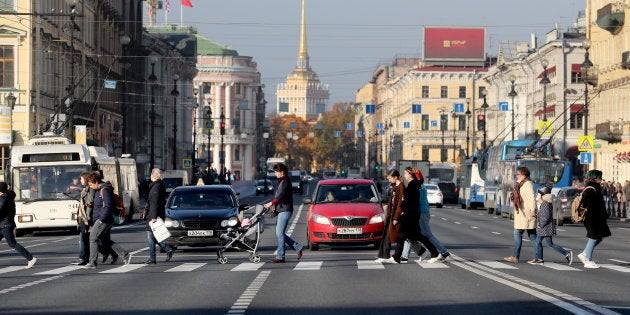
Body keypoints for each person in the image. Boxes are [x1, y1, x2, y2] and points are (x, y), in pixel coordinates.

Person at [82, 172, 130, 269]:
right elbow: (102, 204)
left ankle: (92, 262)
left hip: (103, 219)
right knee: (105, 241)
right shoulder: (99, 190)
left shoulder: (104, 190)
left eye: (91, 184)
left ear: (95, 182)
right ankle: (125, 255)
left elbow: (108, 205)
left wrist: (101, 219)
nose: (90, 186)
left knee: (92, 238)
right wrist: (91, 205)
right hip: (103, 218)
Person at [401, 167, 449, 263]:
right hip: (422, 211)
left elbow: (413, 201)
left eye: (405, 173)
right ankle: (406, 256)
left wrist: (404, 202)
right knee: (412, 234)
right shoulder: (420, 185)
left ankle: (442, 252)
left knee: (423, 234)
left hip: (420, 212)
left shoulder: (416, 186)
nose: (404, 175)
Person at [392, 167, 440, 264]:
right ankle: (433, 253)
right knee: (416, 236)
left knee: (402, 235)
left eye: (405, 173)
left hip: (410, 216)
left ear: (410, 175)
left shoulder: (412, 185)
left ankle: (397, 257)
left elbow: (409, 201)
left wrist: (402, 206)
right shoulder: (413, 184)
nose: (404, 175)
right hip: (412, 215)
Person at [263, 163, 303, 263]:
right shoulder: (282, 181)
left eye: (276, 172)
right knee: (279, 233)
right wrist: (274, 206)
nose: (275, 173)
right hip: (282, 209)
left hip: (285, 210)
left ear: (282, 172)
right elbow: (279, 197)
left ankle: (280, 256)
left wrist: (270, 203)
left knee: (279, 233)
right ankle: (297, 247)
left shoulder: (285, 182)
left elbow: (280, 197)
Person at [529, 184, 572, 265]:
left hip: (544, 227)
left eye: (539, 194)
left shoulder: (545, 204)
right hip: (545, 227)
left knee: (539, 242)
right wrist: (536, 215)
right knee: (548, 244)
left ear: (543, 196)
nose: (537, 196)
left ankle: (540, 258)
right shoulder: (545, 203)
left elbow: (545, 217)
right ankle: (565, 254)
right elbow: (544, 215)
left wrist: (540, 224)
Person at [577, 170, 612, 269]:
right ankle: (587, 259)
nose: (601, 180)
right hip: (592, 218)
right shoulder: (591, 190)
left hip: (597, 218)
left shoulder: (594, 188)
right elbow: (590, 206)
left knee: (599, 237)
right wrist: (598, 216)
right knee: (593, 237)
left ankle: (585, 254)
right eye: (599, 178)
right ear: (595, 178)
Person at [504, 166, 539, 263]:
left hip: (526, 214)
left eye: (518, 174)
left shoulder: (527, 184)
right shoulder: (522, 184)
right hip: (523, 214)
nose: (517, 176)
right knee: (532, 236)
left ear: (523, 175)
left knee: (518, 233)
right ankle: (538, 257)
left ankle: (515, 256)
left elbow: (532, 197)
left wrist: (532, 210)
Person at [0, 182, 37, 269]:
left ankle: (30, 258)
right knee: (12, 243)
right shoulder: (8, 197)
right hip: (4, 224)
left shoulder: (3, 199)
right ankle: (30, 258)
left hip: (5, 225)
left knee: (12, 244)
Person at [145, 168, 174, 264]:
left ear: (154, 175)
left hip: (154, 215)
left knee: (150, 236)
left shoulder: (156, 187)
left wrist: (153, 216)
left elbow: (154, 202)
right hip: (156, 213)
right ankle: (168, 249)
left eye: (151, 174)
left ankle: (152, 258)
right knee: (154, 236)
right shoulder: (157, 185)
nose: (150, 176)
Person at [71, 172, 93, 265]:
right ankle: (84, 257)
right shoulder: (85, 190)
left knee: (85, 239)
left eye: (81, 179)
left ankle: (83, 258)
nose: (80, 181)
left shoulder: (89, 190)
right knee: (84, 238)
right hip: (82, 218)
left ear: (86, 179)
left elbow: (89, 205)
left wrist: (87, 218)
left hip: (85, 218)